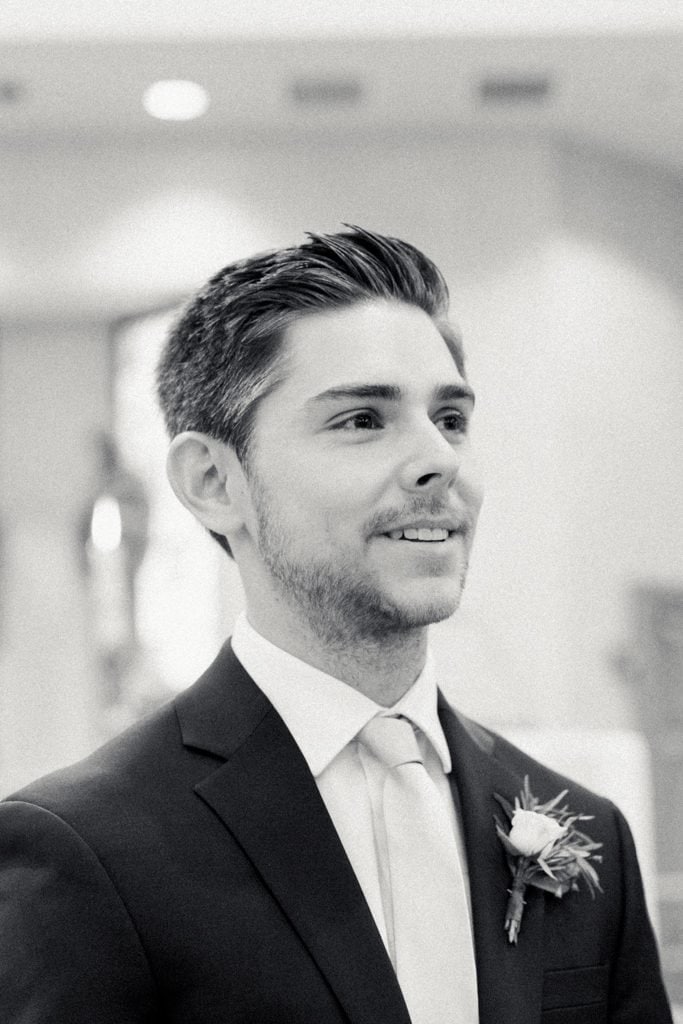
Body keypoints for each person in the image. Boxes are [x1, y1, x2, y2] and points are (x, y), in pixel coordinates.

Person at [0, 227, 672, 1023]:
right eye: (361, 419)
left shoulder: (584, 828)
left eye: (450, 419)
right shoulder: (84, 848)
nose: (439, 460)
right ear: (214, 481)